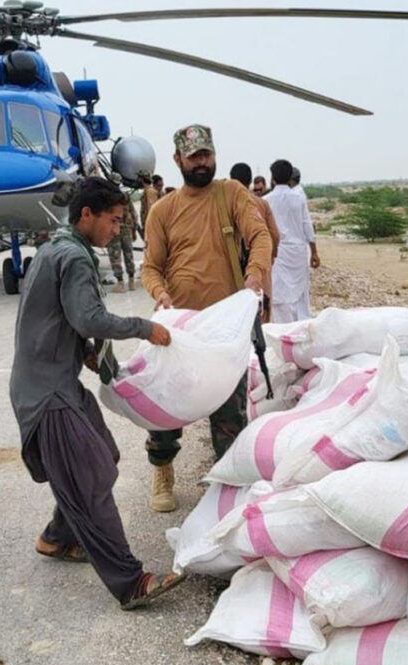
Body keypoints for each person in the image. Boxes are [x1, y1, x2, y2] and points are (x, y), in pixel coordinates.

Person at [9, 175, 183, 610]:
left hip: (57, 382)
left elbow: (58, 317)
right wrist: (145, 328)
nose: (116, 230)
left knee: (104, 456)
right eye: (112, 220)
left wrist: (85, 351)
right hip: (48, 394)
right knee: (90, 480)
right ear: (86, 214)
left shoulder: (55, 248)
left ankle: (57, 538)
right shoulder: (74, 256)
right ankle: (130, 581)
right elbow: (89, 317)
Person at [141, 124, 272, 513]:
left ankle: (227, 484)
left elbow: (260, 236)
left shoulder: (230, 193)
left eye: (207, 155)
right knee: (167, 406)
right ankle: (162, 470)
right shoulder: (163, 210)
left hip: (225, 330)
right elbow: (151, 267)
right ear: (178, 160)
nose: (203, 163)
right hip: (180, 330)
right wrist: (159, 292)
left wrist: (255, 275)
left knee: (229, 413)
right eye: (194, 157)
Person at [264, 159, 321, 323]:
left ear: (273, 178)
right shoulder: (299, 198)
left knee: (280, 294)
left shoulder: (266, 200)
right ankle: (301, 326)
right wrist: (314, 252)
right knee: (300, 295)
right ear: (290, 177)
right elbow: (307, 225)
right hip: (298, 251)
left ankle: (283, 330)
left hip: (278, 252)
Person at [230, 162, 279, 321]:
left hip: (232, 269)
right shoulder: (261, 203)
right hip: (257, 266)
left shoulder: (224, 204)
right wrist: (270, 257)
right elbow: (274, 234)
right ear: (249, 180)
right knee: (262, 311)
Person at [106, 190, 138, 292]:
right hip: (127, 230)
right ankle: (131, 281)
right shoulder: (126, 196)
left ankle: (120, 283)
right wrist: (133, 230)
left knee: (115, 257)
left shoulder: (108, 196)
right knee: (129, 255)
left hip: (114, 230)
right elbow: (133, 214)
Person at [137, 171, 160, 238]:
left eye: (138, 178)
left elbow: (152, 209)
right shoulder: (147, 191)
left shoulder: (150, 192)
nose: (137, 180)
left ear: (142, 179)